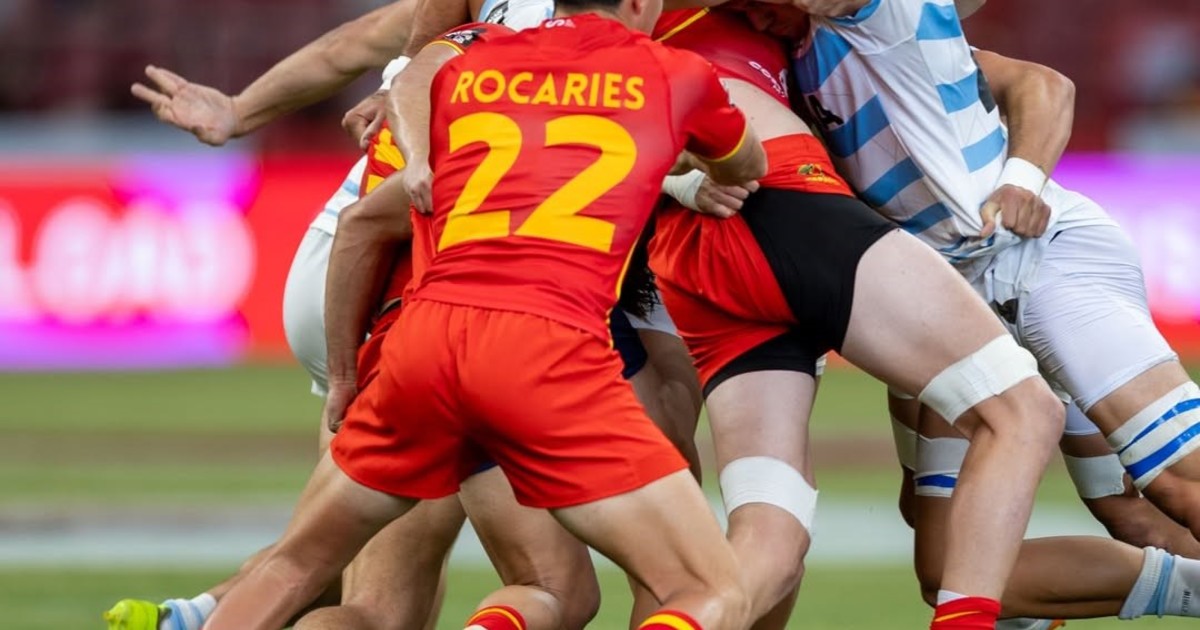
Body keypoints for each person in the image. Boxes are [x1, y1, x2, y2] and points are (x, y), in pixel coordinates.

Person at [202, 0, 768, 628]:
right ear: (639, 3)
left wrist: (342, 379)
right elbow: (748, 166)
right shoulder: (674, 73)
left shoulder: (476, 59)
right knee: (710, 590)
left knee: (295, 565)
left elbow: (400, 88)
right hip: (547, 348)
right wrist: (683, 164)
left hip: (420, 339)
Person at [649, 6, 1066, 630]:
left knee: (773, 539)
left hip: (694, 251)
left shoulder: (574, 48)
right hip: (780, 194)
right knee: (1023, 410)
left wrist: (676, 183)